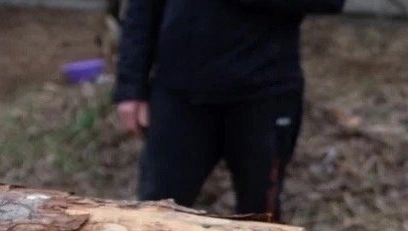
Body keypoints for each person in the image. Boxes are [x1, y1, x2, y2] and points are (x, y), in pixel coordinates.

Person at [114, 0, 345, 218]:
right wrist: (130, 85)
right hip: (180, 94)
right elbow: (142, 7)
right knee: (155, 215)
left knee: (260, 221)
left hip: (264, 96)